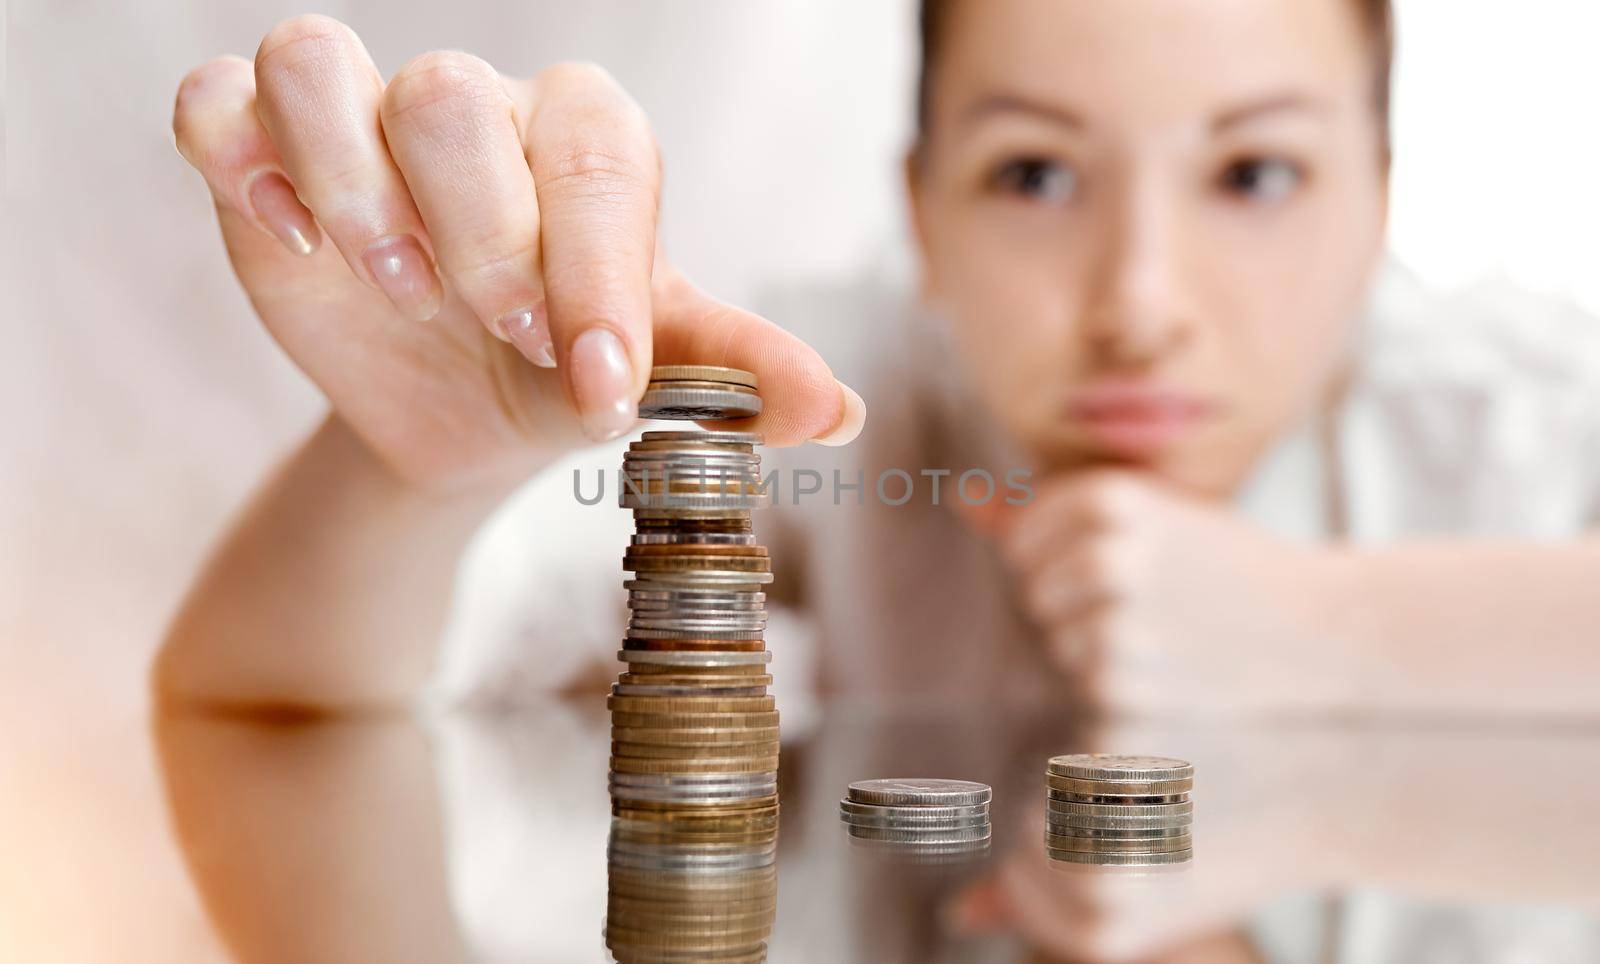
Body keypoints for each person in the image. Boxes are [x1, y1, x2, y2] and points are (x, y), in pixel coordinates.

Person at [156, 0, 1600, 720]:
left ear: (1387, 191)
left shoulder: (1525, 417)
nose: (1140, 304)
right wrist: (423, 473)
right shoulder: (829, 403)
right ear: (918, 207)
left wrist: (1326, 622)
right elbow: (275, 701)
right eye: (1034, 174)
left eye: (1257, 175)